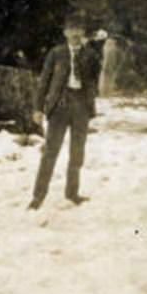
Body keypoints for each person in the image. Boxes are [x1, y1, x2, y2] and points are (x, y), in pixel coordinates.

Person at [27, 12, 106, 210]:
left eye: (78, 30)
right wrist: (38, 108)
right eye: (71, 30)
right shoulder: (56, 53)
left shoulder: (90, 55)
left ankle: (72, 193)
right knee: (50, 152)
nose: (75, 34)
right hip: (59, 107)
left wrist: (96, 46)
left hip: (81, 106)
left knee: (77, 153)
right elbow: (43, 82)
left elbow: (98, 72)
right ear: (64, 33)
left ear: (83, 33)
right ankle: (38, 197)